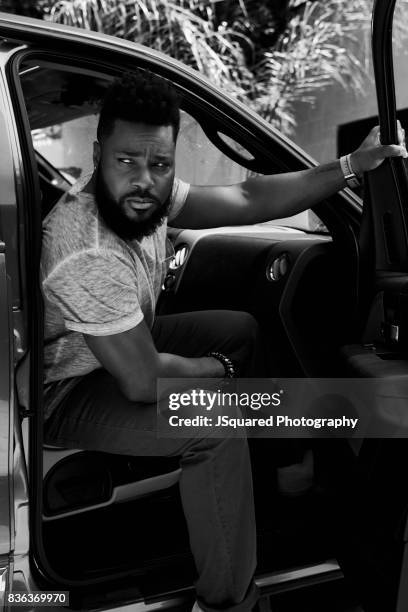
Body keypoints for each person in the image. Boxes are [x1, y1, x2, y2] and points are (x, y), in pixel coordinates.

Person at [41, 70, 407, 612]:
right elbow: (144, 381)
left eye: (159, 164)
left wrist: (349, 167)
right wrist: (220, 374)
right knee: (214, 423)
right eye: (126, 162)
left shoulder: (147, 194)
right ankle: (230, 601)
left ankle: (282, 475)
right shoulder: (85, 246)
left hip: (115, 347)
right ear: (98, 154)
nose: (144, 181)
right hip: (68, 388)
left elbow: (244, 195)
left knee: (240, 329)